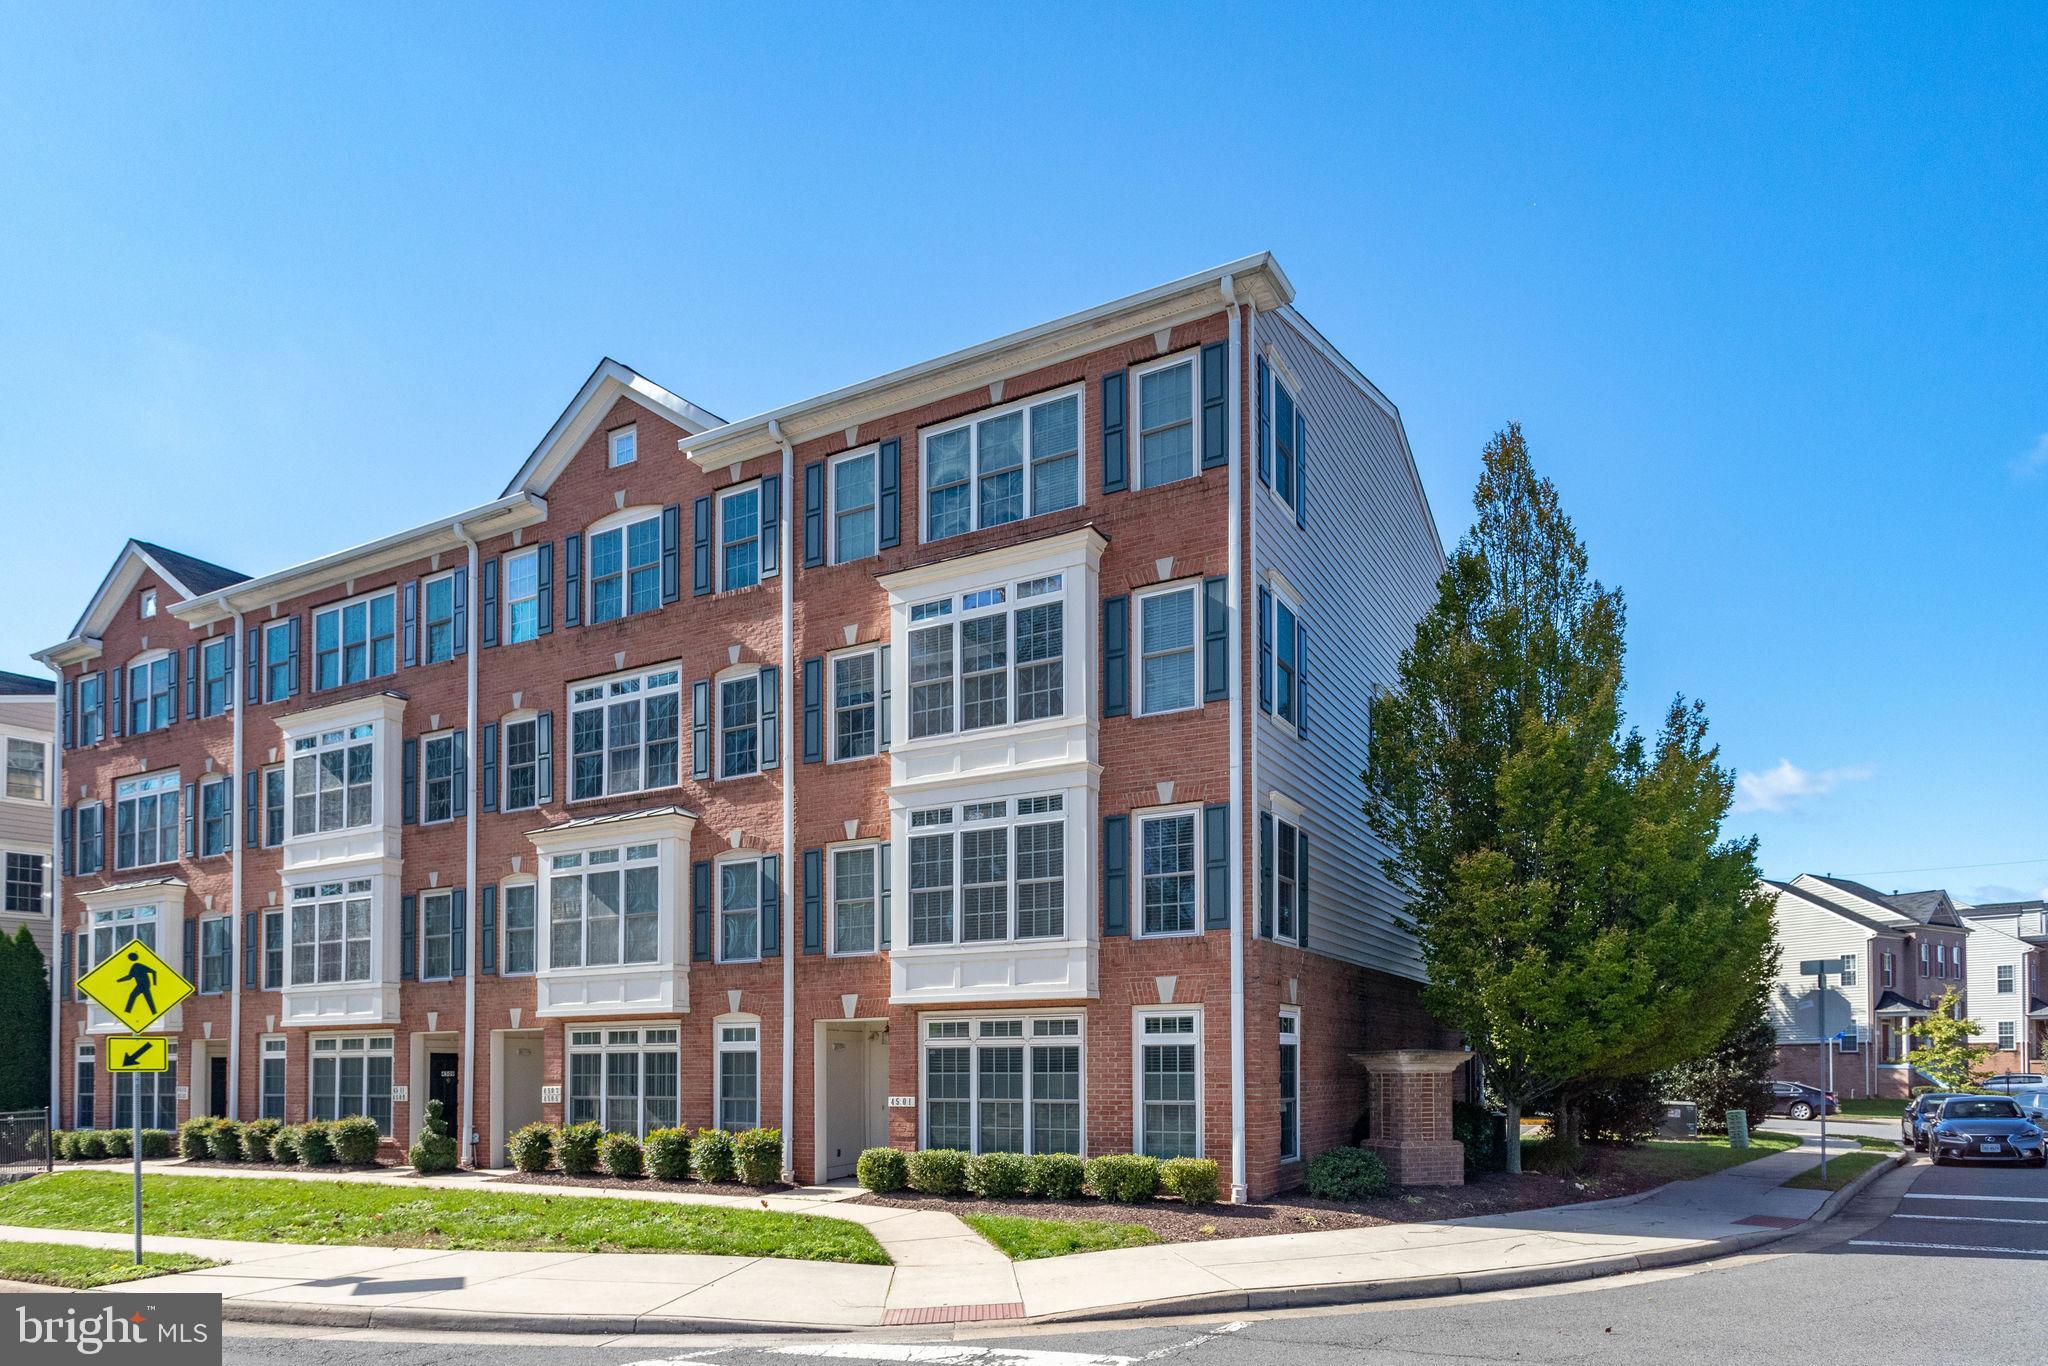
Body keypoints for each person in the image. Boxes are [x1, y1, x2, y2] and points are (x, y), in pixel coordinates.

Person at [118, 950, 158, 1016]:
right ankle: (127, 1012)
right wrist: (119, 980)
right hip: (140, 985)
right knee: (135, 996)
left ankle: (154, 1012)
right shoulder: (134, 966)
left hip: (144, 985)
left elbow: (154, 972)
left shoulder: (138, 965)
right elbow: (130, 977)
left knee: (146, 998)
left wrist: (154, 983)